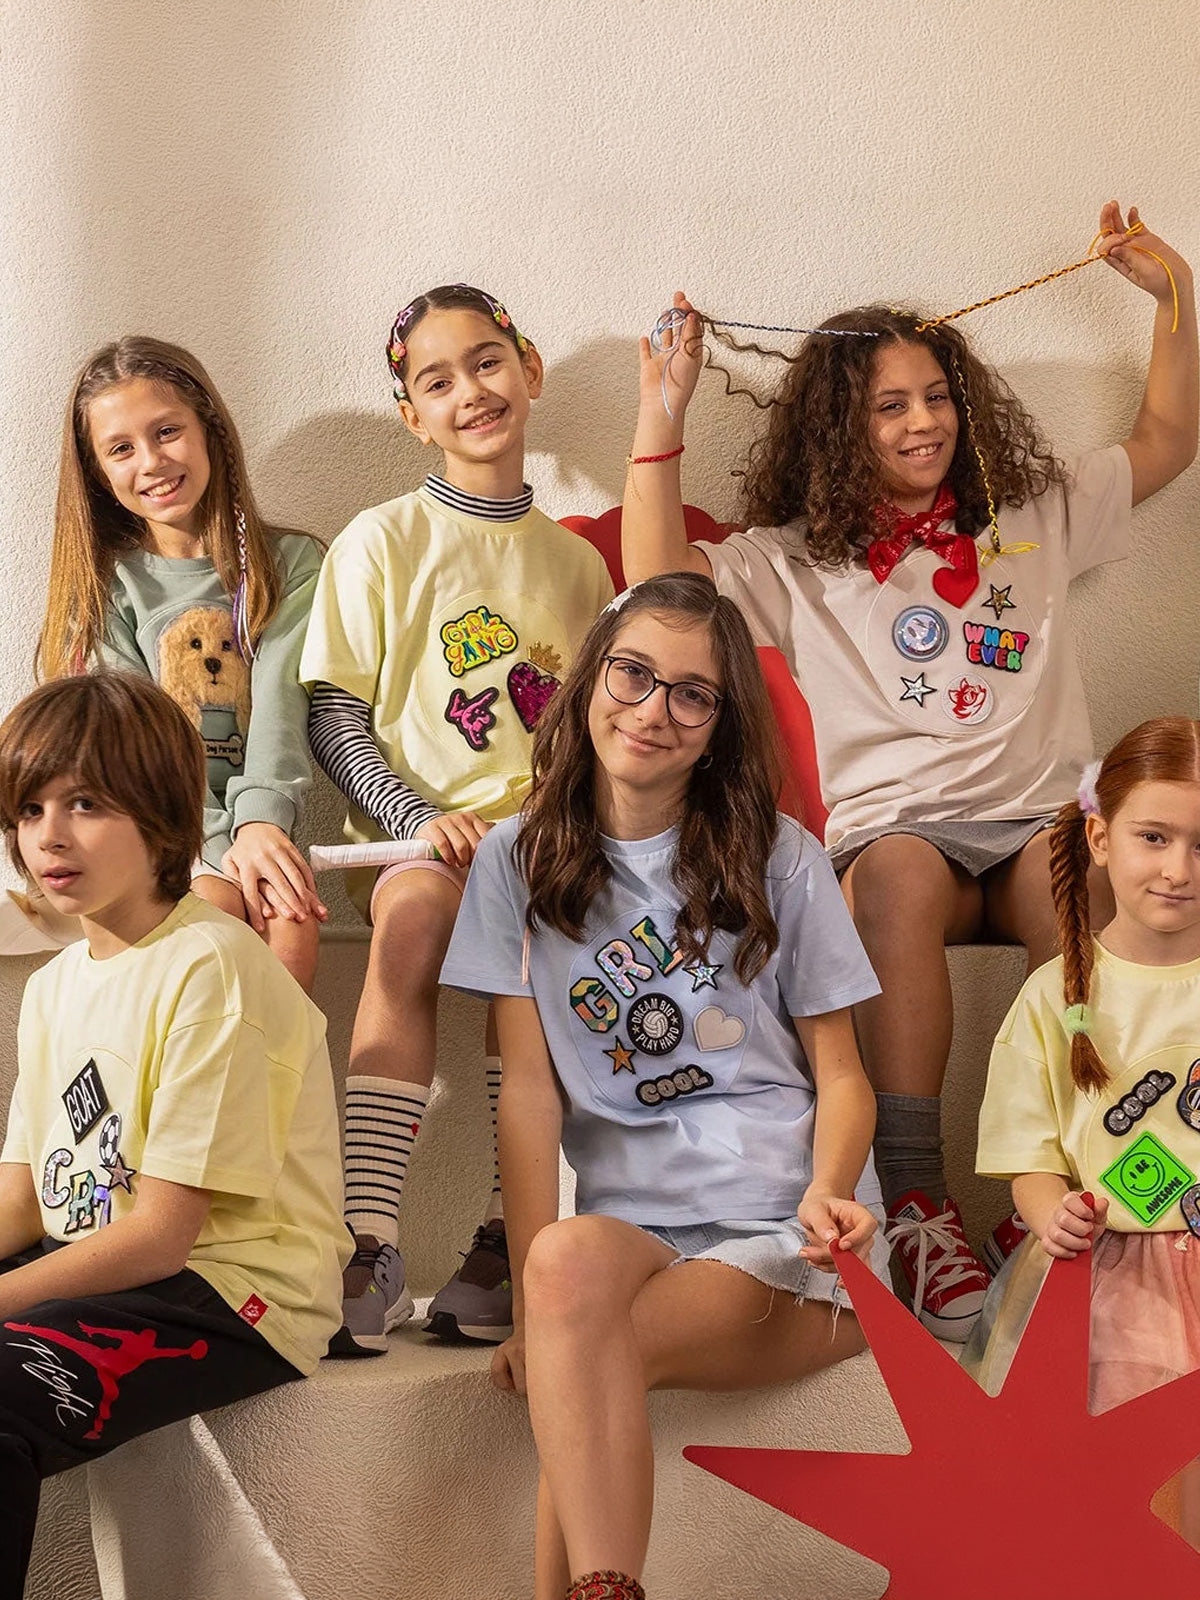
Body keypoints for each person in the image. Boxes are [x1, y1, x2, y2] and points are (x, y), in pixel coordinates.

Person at [620, 202, 1198, 1338]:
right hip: (900, 830)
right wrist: (661, 411)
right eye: (891, 405)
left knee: (1095, 892)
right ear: (842, 426)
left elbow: (1168, 439)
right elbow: (657, 584)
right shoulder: (796, 558)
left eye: (937, 396)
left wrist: (1173, 288)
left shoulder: (1031, 514)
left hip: (1038, 818)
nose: (923, 421)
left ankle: (1080, 1189)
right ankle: (920, 1202)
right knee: (889, 878)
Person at [441, 572, 888, 1600]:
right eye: (634, 674)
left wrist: (831, 1190)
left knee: (585, 1363)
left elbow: (843, 1075)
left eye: (693, 694)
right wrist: (526, 1309)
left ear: (721, 725)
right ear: (591, 675)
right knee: (561, 1270)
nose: (653, 710)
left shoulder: (781, 857)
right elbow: (529, 1095)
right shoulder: (514, 861)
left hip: (788, 1235)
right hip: (635, 1232)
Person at [300, 284, 613, 1353]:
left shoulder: (579, 565)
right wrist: (418, 814)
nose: (471, 391)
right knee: (416, 925)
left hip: (544, 846)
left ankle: (505, 1231)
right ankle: (370, 1241)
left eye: (486, 362)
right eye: (437, 381)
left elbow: (594, 733)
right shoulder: (381, 540)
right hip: (417, 840)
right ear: (413, 416)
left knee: (545, 957)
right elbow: (334, 713)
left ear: (528, 368)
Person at [0, 673, 348, 1596]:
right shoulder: (55, 986)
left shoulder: (211, 965)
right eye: (30, 808)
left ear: (159, 817)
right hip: (113, 1259)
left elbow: (162, 1236)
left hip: (233, 1290)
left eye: (85, 803)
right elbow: (23, 1196)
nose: (50, 835)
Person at [37, 336, 326, 992]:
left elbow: (281, 709)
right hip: (157, 829)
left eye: (167, 432)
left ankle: (272, 1070)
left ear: (209, 430)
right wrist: (220, 848)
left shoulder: (292, 565)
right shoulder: (107, 589)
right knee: (212, 912)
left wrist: (259, 827)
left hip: (259, 825)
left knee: (292, 924)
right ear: (98, 472)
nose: (152, 462)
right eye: (121, 449)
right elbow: (140, 751)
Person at [976, 716, 1200, 1545]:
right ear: (1102, 839)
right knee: (1139, 1496)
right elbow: (1029, 1156)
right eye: (1154, 837)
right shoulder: (1052, 997)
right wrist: (1050, 1213)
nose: (1179, 869)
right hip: (1112, 1281)